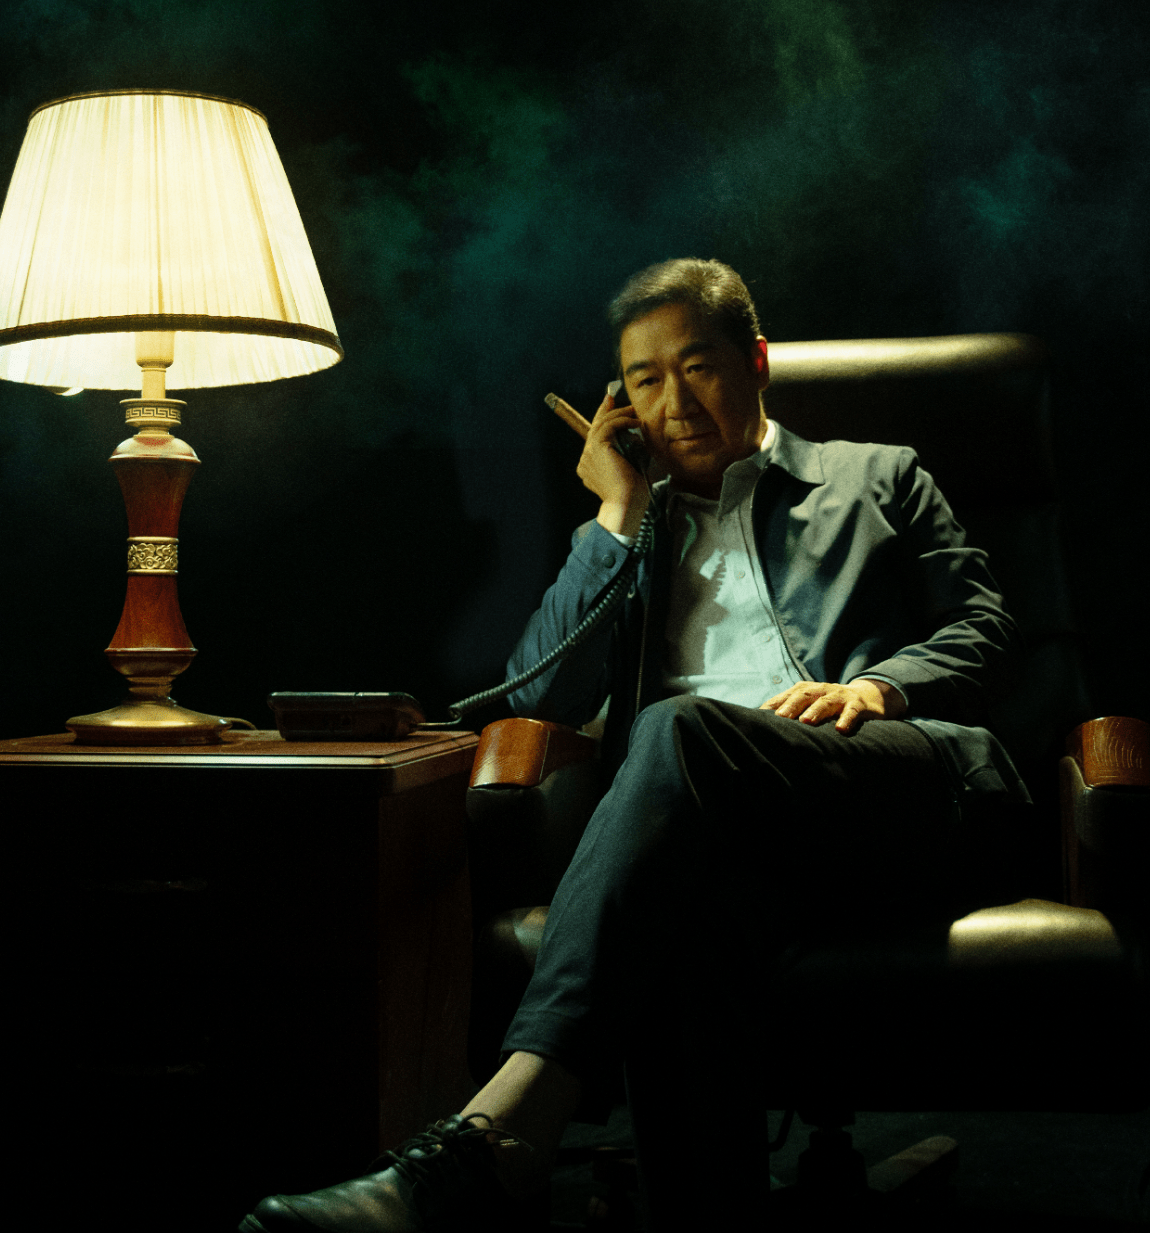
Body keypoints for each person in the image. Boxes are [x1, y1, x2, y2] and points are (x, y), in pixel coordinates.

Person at [239, 258, 1028, 1232]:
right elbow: (538, 698)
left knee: (677, 729)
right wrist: (614, 517)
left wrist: (875, 688)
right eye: (644, 381)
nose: (673, 403)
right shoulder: (632, 538)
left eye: (696, 367)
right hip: (719, 837)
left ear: (755, 361)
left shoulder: (878, 475)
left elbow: (989, 630)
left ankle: (498, 1133)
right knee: (684, 901)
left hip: (885, 791)